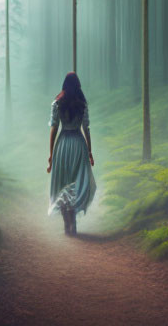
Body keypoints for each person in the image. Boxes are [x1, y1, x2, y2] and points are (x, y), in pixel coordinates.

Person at [47, 71, 96, 235]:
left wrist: (51, 153)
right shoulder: (82, 103)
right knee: (76, 184)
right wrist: (89, 150)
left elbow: (54, 128)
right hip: (78, 144)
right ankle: (73, 223)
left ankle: (66, 224)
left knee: (63, 184)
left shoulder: (57, 103)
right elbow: (86, 128)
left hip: (62, 145)